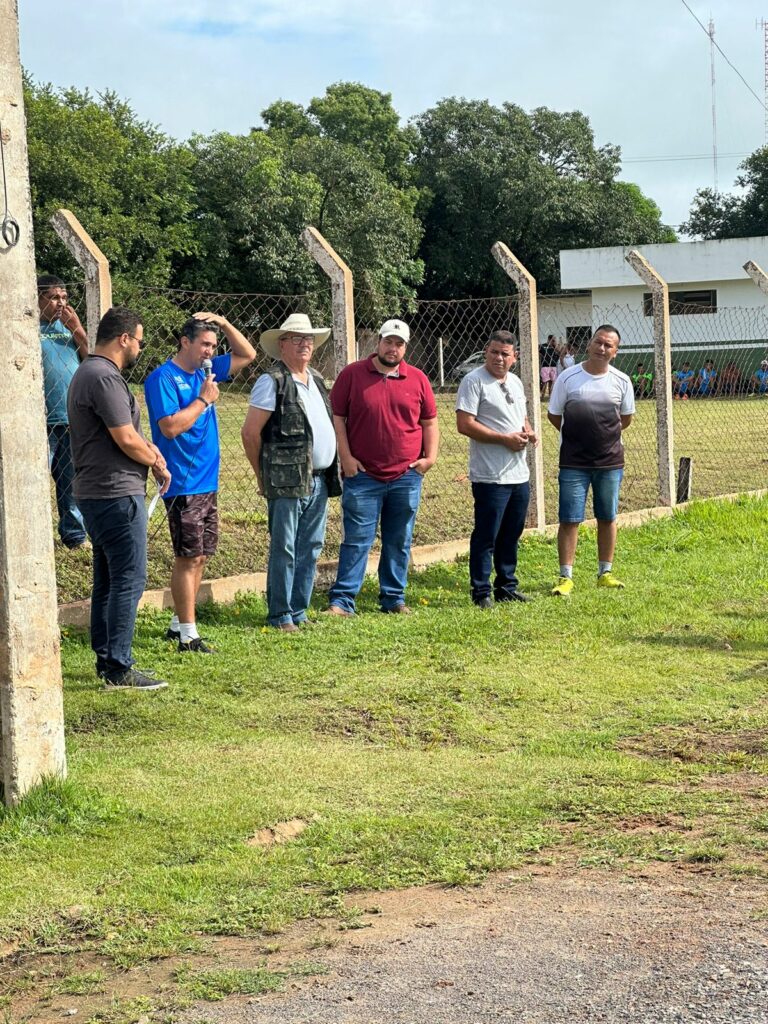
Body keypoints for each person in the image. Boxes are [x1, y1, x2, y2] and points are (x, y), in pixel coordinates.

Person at [67, 307, 171, 690]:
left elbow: (125, 432)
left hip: (98, 492)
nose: (140, 348)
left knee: (108, 579)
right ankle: (118, 667)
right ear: (124, 338)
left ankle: (107, 658)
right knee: (129, 577)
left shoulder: (88, 373)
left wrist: (150, 452)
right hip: (114, 493)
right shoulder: (104, 377)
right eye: (139, 340)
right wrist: (155, 462)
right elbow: (124, 438)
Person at [144, 314, 256, 652]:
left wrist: (223, 323)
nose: (211, 351)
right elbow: (170, 427)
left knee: (203, 554)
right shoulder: (163, 378)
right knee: (187, 556)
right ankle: (189, 635)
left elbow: (248, 354)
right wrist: (204, 400)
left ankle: (179, 623)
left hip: (207, 479)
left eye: (214, 345)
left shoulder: (206, 371)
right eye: (205, 344)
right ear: (185, 342)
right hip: (182, 482)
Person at [326, 319, 439, 616]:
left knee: (399, 540)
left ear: (406, 347)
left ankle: (393, 597)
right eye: (389, 342)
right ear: (378, 342)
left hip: (406, 475)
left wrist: (430, 458)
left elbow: (429, 421)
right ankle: (343, 601)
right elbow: (338, 417)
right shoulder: (352, 375)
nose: (393, 348)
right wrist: (346, 458)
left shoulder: (417, 379)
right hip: (362, 475)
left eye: (399, 344)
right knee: (356, 540)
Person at [241, 313, 340, 632]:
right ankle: (280, 613)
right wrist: (262, 474)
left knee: (311, 545)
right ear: (281, 345)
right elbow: (250, 433)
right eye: (296, 339)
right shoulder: (271, 382)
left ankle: (299, 609)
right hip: (286, 480)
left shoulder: (317, 379)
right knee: (284, 545)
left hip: (319, 478)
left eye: (308, 339)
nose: (304, 344)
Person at [547, 325, 635, 596]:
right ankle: (566, 577)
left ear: (615, 352)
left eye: (609, 345)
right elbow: (554, 415)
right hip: (573, 462)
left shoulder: (622, 381)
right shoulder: (568, 378)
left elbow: (626, 418)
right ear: (589, 344)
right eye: (598, 342)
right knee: (569, 519)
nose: (602, 348)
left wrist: (602, 437)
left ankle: (604, 573)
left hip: (609, 462)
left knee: (607, 517)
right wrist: (577, 436)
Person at [456, 330, 538, 608]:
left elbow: (521, 415)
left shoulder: (515, 382)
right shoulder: (474, 381)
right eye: (494, 352)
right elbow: (464, 424)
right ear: (486, 352)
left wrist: (528, 430)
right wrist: (504, 439)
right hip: (490, 476)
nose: (499, 358)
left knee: (511, 533)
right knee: (486, 535)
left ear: (514, 358)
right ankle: (481, 592)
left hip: (519, 473)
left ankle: (506, 586)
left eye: (505, 354)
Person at [38, 275, 89, 550]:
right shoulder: (27, 325)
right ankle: (33, 535)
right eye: (54, 297)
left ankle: (74, 536)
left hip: (70, 417)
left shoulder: (68, 328)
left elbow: (92, 360)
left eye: (65, 298)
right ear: (38, 298)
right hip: (39, 419)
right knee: (35, 480)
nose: (61, 303)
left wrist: (78, 329)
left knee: (71, 483)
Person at [539, 334, 560, 399]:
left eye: (554, 340)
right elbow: (538, 354)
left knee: (552, 382)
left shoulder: (555, 347)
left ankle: (550, 396)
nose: (553, 341)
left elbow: (559, 353)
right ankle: (542, 396)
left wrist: (555, 346)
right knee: (545, 382)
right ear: (549, 339)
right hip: (545, 366)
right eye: (553, 340)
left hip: (553, 366)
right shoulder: (542, 346)